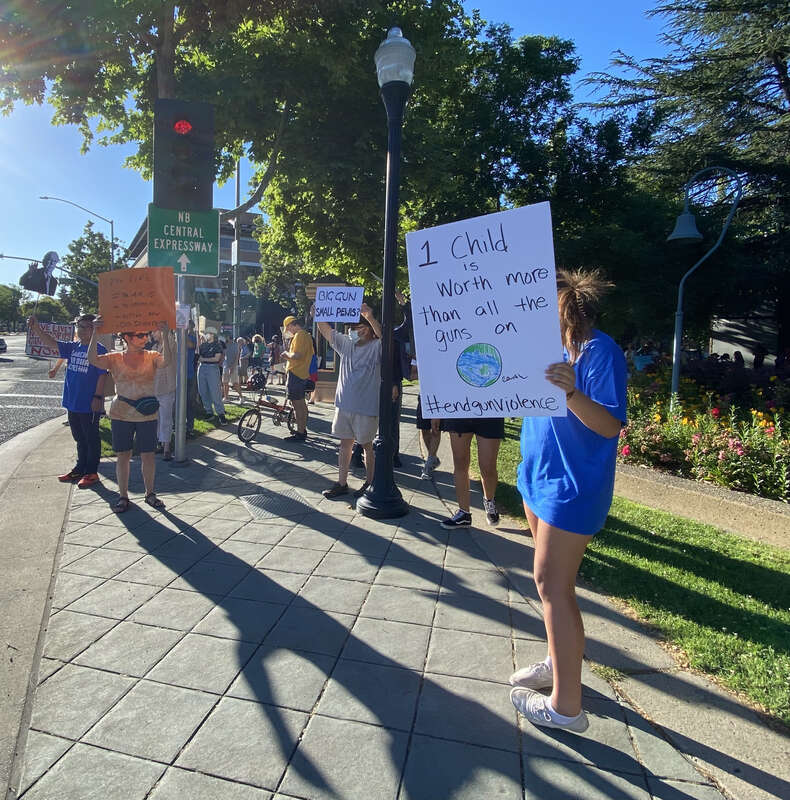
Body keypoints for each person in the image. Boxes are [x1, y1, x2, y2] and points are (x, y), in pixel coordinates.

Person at [509, 269, 627, 735]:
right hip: (537, 477)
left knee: (551, 585)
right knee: (556, 589)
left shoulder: (600, 352)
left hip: (572, 486)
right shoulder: (543, 347)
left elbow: (610, 425)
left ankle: (566, 709)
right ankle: (559, 663)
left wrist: (572, 391)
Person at [87, 318, 174, 512]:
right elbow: (92, 359)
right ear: (127, 337)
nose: (145, 337)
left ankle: (150, 493)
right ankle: (123, 496)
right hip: (121, 414)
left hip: (146, 415)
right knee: (123, 456)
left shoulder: (152, 356)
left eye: (146, 334)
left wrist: (166, 336)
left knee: (148, 456)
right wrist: (95, 333)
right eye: (140, 335)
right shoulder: (115, 358)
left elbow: (167, 360)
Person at [28, 314, 107, 488]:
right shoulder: (73, 347)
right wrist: (36, 328)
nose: (82, 329)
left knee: (91, 437)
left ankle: (91, 472)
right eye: (80, 325)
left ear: (95, 329)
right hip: (73, 401)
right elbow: (52, 343)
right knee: (79, 437)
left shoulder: (99, 350)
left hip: (89, 404)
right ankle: (80, 468)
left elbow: (102, 376)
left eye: (87, 326)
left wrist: (98, 398)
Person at [315, 304, 383, 498]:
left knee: (367, 446)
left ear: (368, 329)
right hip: (344, 404)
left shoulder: (376, 347)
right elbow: (326, 331)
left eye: (357, 327)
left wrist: (369, 316)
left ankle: (370, 483)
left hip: (366, 406)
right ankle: (342, 482)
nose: (352, 331)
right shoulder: (347, 344)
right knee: (345, 445)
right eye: (351, 328)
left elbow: (386, 341)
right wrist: (319, 313)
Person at [439, 415, 503, 529]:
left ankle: (489, 501)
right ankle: (464, 513)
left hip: (490, 412)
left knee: (488, 466)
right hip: (458, 411)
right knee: (460, 462)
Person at [280, 315, 314, 441]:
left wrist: (286, 354)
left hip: (296, 373)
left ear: (291, 325)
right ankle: (302, 430)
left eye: (287, 328)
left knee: (297, 405)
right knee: (302, 405)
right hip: (302, 373)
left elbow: (297, 355)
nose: (287, 331)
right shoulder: (305, 335)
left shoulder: (300, 335)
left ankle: (300, 433)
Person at [153, 328, 177, 460]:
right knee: (157, 418)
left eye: (154, 331)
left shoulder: (171, 343)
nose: (152, 334)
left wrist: (165, 330)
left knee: (166, 418)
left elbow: (170, 345)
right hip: (155, 386)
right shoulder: (155, 346)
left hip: (167, 386)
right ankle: (160, 443)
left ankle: (167, 447)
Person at [197, 331, 227, 424]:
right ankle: (209, 412)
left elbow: (216, 358)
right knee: (203, 391)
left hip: (212, 368)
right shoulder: (202, 345)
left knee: (215, 392)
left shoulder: (217, 345)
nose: (206, 335)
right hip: (202, 368)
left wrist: (203, 359)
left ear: (213, 335)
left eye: (208, 333)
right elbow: (198, 356)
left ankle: (221, 414)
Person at [221, 335, 240, 401]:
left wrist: (232, 367)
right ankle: (226, 397)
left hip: (233, 367)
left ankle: (241, 397)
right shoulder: (225, 345)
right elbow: (223, 355)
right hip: (225, 366)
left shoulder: (235, 345)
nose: (226, 339)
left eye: (227, 337)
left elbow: (236, 357)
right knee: (225, 383)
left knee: (235, 384)